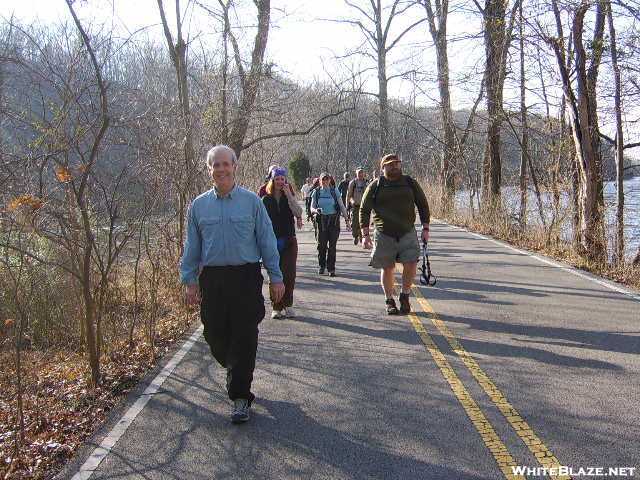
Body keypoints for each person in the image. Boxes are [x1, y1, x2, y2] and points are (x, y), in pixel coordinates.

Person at [181, 145, 285, 425]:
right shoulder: (199, 206)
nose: (221, 169)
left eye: (226, 164)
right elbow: (192, 246)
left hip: (245, 277)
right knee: (215, 336)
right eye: (215, 165)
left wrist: (276, 276)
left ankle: (240, 396)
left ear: (235, 166)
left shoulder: (252, 202)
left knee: (244, 335)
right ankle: (235, 368)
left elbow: (266, 239)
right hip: (213, 280)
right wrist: (189, 280)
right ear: (209, 169)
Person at [360, 153, 430, 315]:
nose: (395, 167)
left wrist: (425, 228)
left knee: (411, 263)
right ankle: (389, 300)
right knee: (388, 267)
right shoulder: (375, 185)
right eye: (390, 164)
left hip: (407, 231)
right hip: (384, 233)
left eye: (397, 164)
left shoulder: (410, 183)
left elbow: (423, 205)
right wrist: (365, 234)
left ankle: (405, 296)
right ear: (383, 167)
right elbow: (364, 210)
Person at [262, 167, 303, 319]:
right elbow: (260, 222)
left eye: (282, 179)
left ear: (285, 180)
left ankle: (288, 305)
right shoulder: (265, 199)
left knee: (289, 275)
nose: (280, 181)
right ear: (272, 180)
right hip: (272, 242)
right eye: (277, 179)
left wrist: (290, 196)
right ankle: (276, 307)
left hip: (289, 240)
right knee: (275, 274)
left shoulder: (288, 197)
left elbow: (298, 212)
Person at [310, 172, 349, 277]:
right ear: (320, 181)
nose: (325, 181)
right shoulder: (316, 192)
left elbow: (341, 205)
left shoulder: (334, 191)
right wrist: (315, 210)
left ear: (330, 180)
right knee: (321, 246)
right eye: (323, 179)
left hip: (333, 221)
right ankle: (322, 266)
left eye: (327, 179)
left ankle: (331, 268)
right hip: (321, 221)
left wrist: (347, 220)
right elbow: (312, 207)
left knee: (332, 246)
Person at [346, 167, 369, 245]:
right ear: (356, 174)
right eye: (359, 173)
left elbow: (369, 195)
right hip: (355, 206)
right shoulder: (353, 183)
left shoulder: (366, 183)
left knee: (363, 222)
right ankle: (355, 236)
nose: (360, 174)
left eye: (362, 172)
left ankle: (361, 236)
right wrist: (349, 203)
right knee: (355, 223)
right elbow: (348, 195)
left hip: (364, 206)